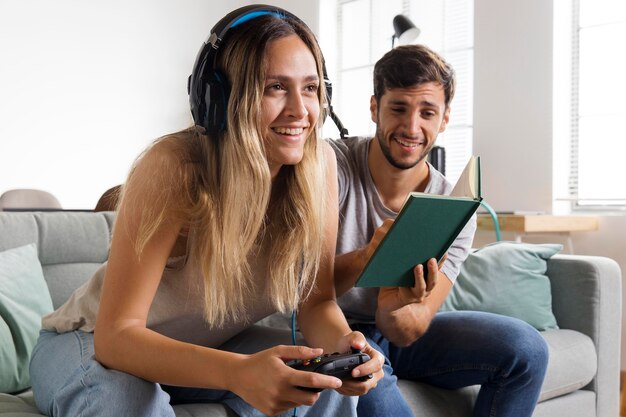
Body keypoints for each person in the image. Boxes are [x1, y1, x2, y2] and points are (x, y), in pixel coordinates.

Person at [28, 6, 384, 417]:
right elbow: (117, 336)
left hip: (204, 349)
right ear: (221, 96)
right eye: (274, 87)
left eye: (309, 88)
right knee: (123, 400)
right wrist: (237, 373)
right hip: (89, 342)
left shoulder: (318, 166)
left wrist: (347, 348)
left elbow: (317, 302)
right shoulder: (175, 167)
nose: (300, 111)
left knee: (324, 379)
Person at [329, 44, 549, 417]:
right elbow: (302, 291)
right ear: (373, 108)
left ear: (444, 118)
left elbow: (408, 330)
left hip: (393, 336)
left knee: (526, 349)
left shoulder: (453, 206)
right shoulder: (332, 168)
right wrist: (368, 258)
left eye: (427, 112)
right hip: (331, 328)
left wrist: (397, 306)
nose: (412, 127)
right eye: (398, 108)